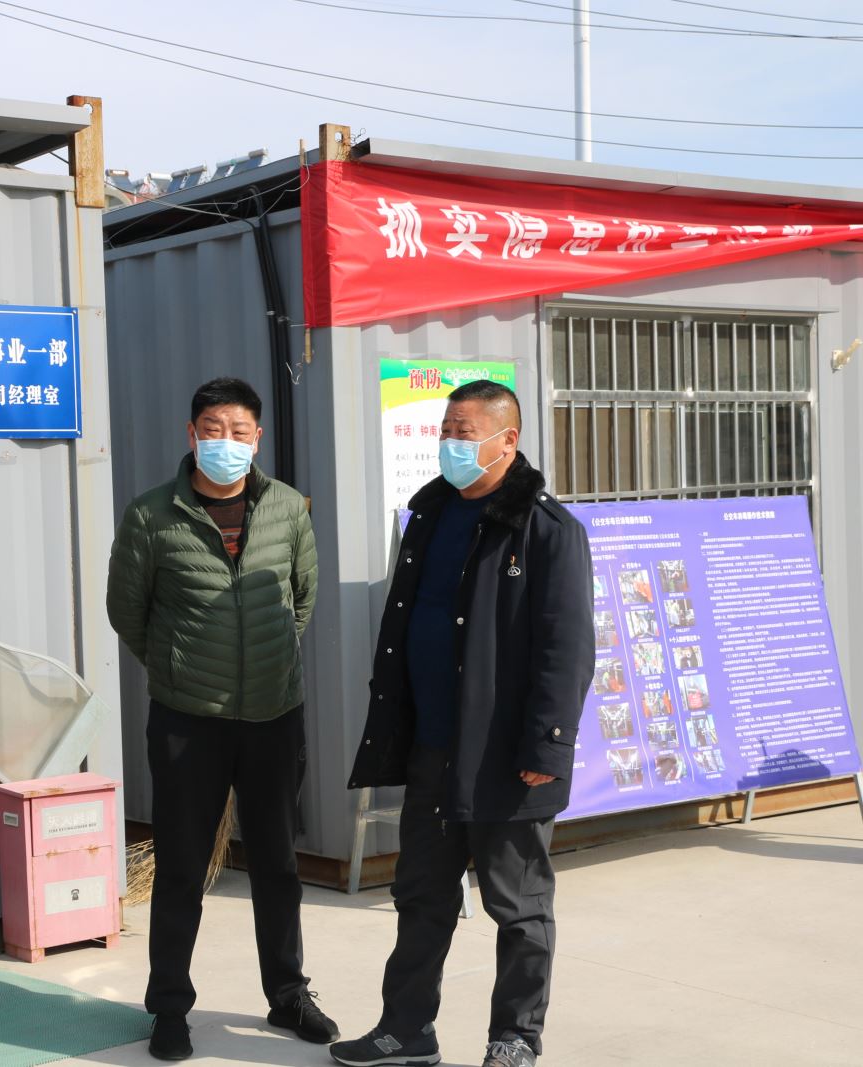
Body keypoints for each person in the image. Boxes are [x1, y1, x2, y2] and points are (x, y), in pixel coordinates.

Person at [330, 381, 594, 1067]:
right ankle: (405, 1031)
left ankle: (515, 1039)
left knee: (519, 905)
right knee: (421, 895)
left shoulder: (546, 529)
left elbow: (566, 650)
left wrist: (547, 749)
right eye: (445, 429)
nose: (450, 442)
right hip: (432, 748)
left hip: (507, 757)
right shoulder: (431, 514)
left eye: (464, 431)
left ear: (508, 440)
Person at [106, 377, 332, 1062]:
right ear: (191, 434)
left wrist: (265, 667)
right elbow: (127, 611)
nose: (224, 442)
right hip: (187, 721)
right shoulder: (152, 515)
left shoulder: (287, 507)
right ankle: (170, 1007)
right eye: (212, 429)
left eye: (237, 431)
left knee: (278, 864)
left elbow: (301, 598)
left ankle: (288, 993)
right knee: (180, 867)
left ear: (257, 438)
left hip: (272, 715)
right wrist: (181, 668)